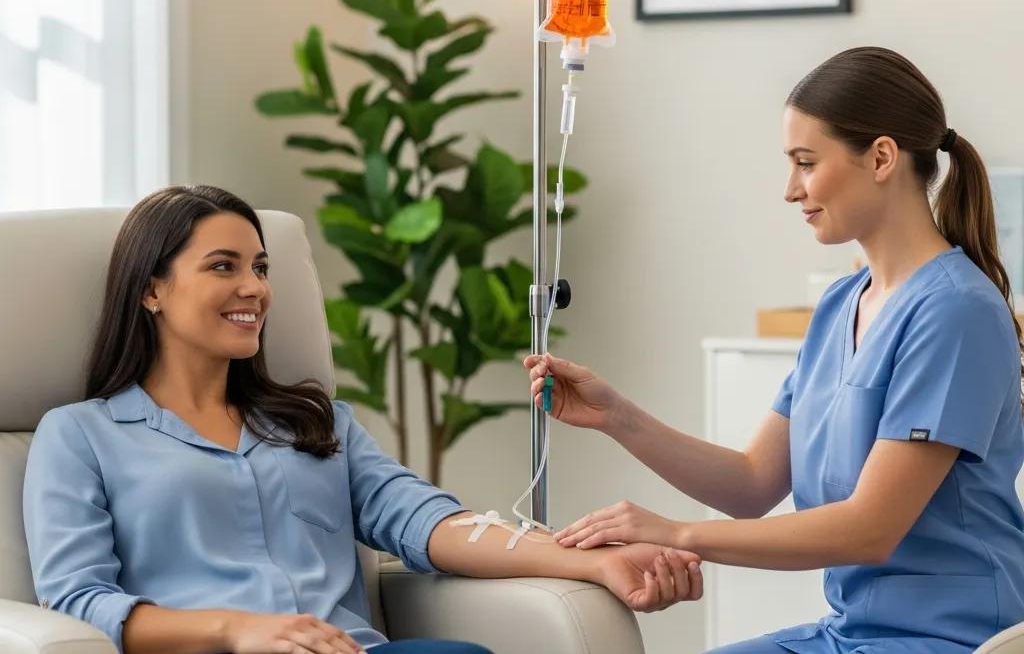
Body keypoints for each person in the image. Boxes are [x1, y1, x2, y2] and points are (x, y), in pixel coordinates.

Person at [22, 185, 705, 654]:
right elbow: (79, 600)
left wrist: (594, 563)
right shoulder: (80, 435)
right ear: (152, 289)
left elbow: (427, 522)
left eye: (260, 267)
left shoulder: (316, 424)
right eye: (222, 267)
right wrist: (238, 631)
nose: (254, 288)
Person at [524, 46, 1024, 654]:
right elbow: (753, 482)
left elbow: (870, 529)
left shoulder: (956, 311)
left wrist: (677, 533)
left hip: (951, 639)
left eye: (806, 163)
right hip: (852, 633)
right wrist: (617, 416)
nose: (791, 190)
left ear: (882, 157)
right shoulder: (841, 305)